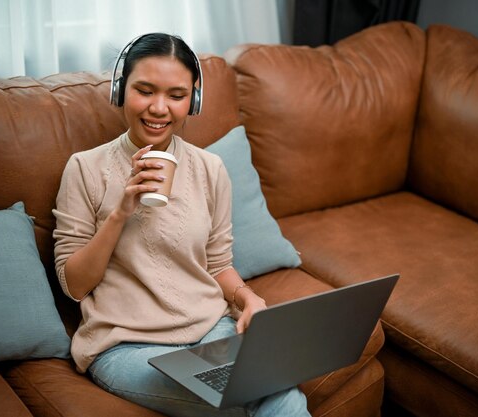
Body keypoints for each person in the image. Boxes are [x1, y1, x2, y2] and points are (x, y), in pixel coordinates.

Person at [52, 33, 311, 417]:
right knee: (237, 401)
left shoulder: (210, 169)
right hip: (126, 347)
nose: (159, 108)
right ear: (121, 91)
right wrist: (121, 211)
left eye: (176, 95)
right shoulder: (84, 169)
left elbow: (218, 263)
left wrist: (247, 299)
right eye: (145, 91)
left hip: (210, 330)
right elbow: (74, 285)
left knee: (280, 390)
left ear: (194, 100)